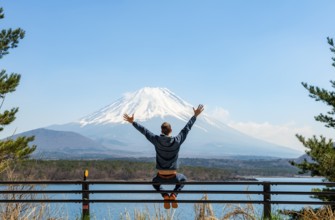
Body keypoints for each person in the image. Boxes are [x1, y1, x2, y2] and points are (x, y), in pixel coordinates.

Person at [123, 104, 204, 209]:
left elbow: (144, 131)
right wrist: (195, 116)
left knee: (154, 182)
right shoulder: (177, 141)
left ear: (161, 131)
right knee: (183, 179)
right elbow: (186, 128)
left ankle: (165, 195)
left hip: (160, 176)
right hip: (173, 176)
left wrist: (132, 122)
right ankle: (174, 195)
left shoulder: (156, 140)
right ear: (171, 130)